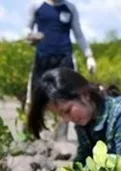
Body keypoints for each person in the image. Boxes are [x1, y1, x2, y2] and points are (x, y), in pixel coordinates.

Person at [25, 0, 97, 140]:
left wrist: (89, 56)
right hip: (42, 58)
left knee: (68, 98)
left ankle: (61, 138)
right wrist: (30, 36)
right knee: (34, 98)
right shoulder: (37, 5)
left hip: (64, 58)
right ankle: (32, 136)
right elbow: (27, 28)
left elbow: (79, 34)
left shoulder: (70, 8)